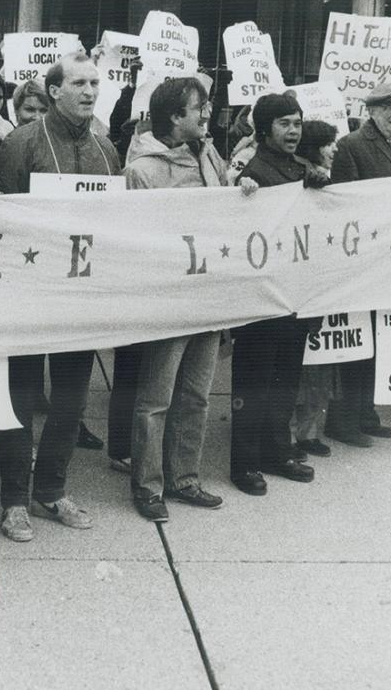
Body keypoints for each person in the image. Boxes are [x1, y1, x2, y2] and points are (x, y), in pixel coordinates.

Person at [0, 52, 121, 542]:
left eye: (95, 83)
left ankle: (52, 490)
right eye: (79, 84)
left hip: (80, 297)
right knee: (20, 399)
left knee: (71, 400)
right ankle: (14, 501)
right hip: (28, 292)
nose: (89, 91)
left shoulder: (107, 149)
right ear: (55, 91)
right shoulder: (22, 143)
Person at [122, 78, 230, 519]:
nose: (206, 114)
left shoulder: (208, 154)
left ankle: (185, 479)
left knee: (196, 395)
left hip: (208, 295)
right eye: (198, 107)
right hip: (169, 301)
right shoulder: (142, 171)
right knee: (157, 399)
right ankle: (148, 487)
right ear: (173, 117)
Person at [232, 93, 323, 495]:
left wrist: (322, 186)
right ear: (265, 128)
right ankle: (245, 462)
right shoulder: (253, 171)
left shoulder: (304, 170)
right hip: (261, 298)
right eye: (284, 123)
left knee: (286, 378)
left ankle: (277, 450)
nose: (293, 131)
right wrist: (243, 191)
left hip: (295, 293)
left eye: (298, 123)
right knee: (254, 381)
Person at [325, 80, 391, 444]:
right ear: (372, 112)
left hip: (389, 260)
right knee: (356, 342)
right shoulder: (352, 146)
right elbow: (346, 206)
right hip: (363, 261)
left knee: (379, 337)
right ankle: (343, 421)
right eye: (389, 108)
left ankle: (366, 411)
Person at [289, 119, 341, 458]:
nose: (335, 149)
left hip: (325, 281)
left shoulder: (332, 178)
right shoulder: (299, 177)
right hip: (301, 284)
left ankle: (307, 431)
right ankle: (291, 434)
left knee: (322, 362)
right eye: (328, 143)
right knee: (302, 367)